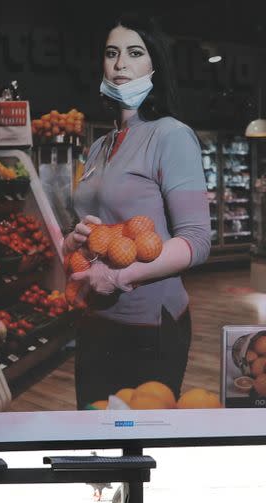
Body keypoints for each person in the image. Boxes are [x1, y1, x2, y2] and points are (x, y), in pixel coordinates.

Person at [64, 15, 211, 409]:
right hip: (95, 321)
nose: (120, 64)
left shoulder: (171, 135)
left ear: (153, 66)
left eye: (134, 53)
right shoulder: (99, 146)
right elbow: (90, 222)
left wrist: (121, 275)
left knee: (136, 444)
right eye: (112, 54)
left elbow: (197, 241)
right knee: (92, 433)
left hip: (149, 326)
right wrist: (74, 237)